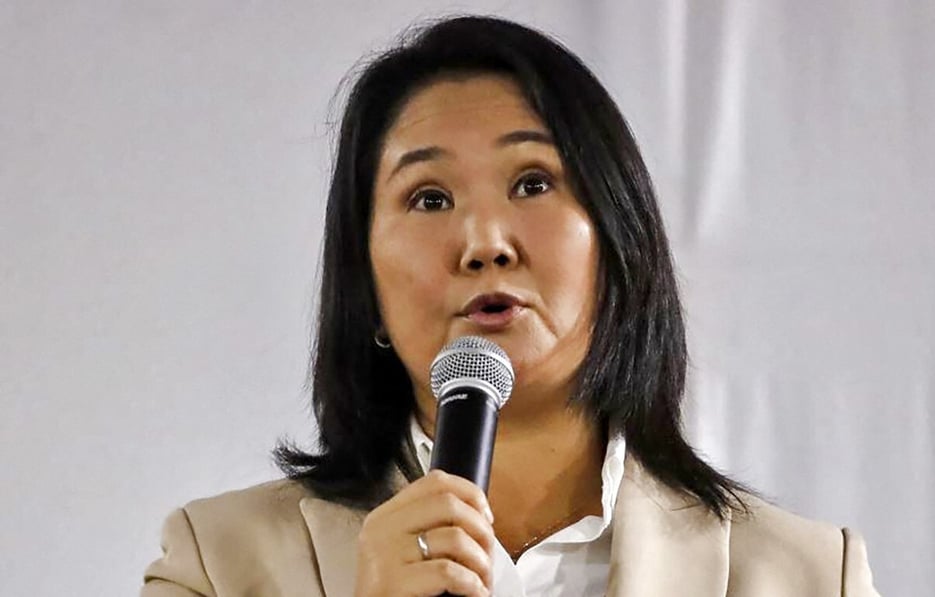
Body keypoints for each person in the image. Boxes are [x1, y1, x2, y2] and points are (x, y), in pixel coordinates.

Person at [141, 15, 880, 597]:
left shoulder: (809, 577)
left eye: (532, 183)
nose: (485, 244)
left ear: (618, 242)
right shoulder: (219, 565)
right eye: (429, 198)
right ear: (364, 284)